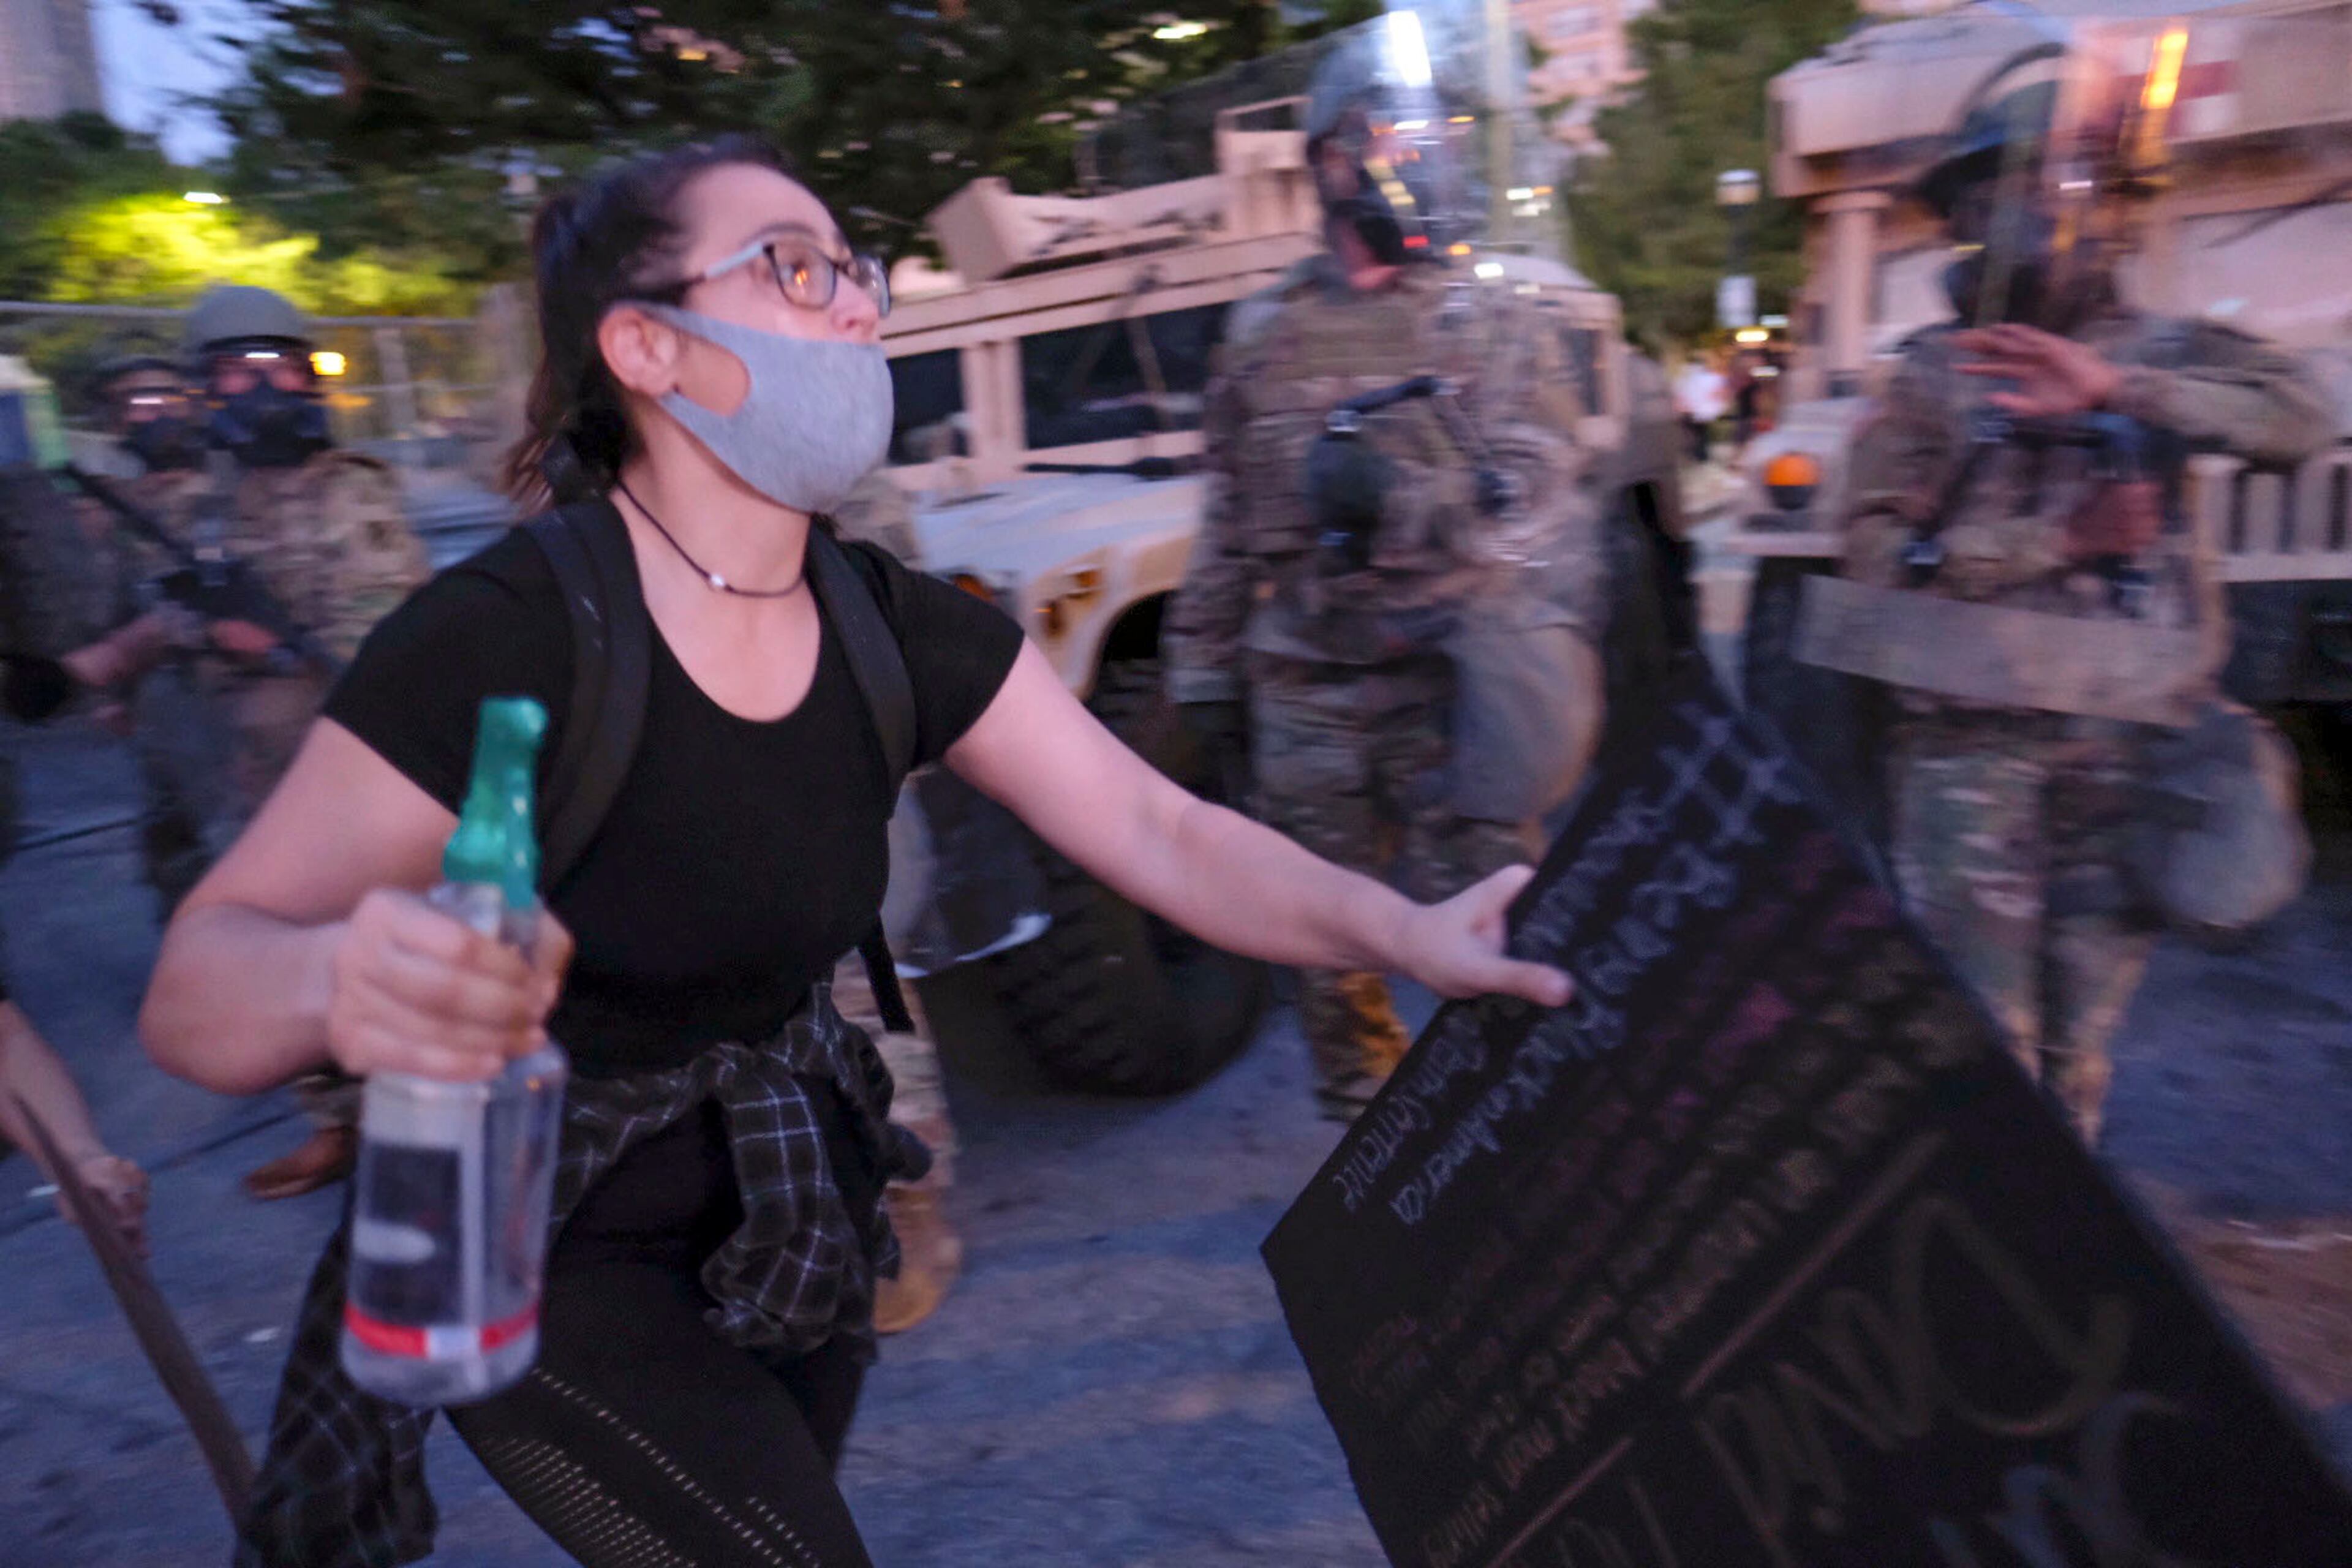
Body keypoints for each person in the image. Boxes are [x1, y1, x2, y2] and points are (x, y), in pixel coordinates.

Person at [136, 137, 1572, 1568]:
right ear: (646, 344)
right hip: (548, 1234)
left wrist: (1406, 930)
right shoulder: (504, 639)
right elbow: (198, 989)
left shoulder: (888, 624)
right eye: (797, 267)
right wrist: (341, 972)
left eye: (855, 272)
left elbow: (1164, 828)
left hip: (791, 1211)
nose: (862, 310)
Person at [1834, 72, 2333, 1144]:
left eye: (2057, 185)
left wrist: (2119, 391)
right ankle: (1986, 1268)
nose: (2026, 215)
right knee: (1983, 1060)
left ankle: (2051, 1266)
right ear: (1963, 218)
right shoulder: (1928, 377)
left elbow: (2303, 420)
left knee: (2075, 1064)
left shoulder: (2161, 352)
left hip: (2122, 759)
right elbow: (1869, 565)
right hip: (1970, 766)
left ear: (2105, 201)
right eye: (1992, 195)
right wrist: (2059, 542)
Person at [1167, 29, 1606, 1122]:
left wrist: (1404, 507)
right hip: (1307, 690)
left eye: (1448, 135)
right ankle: (1382, 1151)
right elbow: (1227, 514)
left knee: (1497, 931)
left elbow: (1543, 494)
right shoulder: (1264, 330)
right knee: (1327, 953)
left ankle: (1521, 1145)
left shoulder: (1492, 319)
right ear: (1330, 161)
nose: (1438, 156)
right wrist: (1203, 679)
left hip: (1452, 683)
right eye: (1411, 134)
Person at [115, 287, 431, 1202]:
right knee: (282, 940)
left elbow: (395, 627)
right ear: (204, 388)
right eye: (236, 371)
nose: (262, 387)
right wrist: (196, 624)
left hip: (363, 759)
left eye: (280, 367)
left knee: (390, 933)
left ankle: (417, 1128)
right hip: (256, 765)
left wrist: (278, 643)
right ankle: (337, 1121)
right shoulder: (199, 500)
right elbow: (168, 611)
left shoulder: (351, 484)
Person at [1674, 354, 1728, 464]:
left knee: (1694, 434)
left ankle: (1697, 455)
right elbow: (1719, 393)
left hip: (1690, 411)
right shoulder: (1712, 378)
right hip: (1702, 411)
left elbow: (1679, 396)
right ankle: (1701, 456)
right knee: (1701, 434)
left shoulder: (1684, 379)